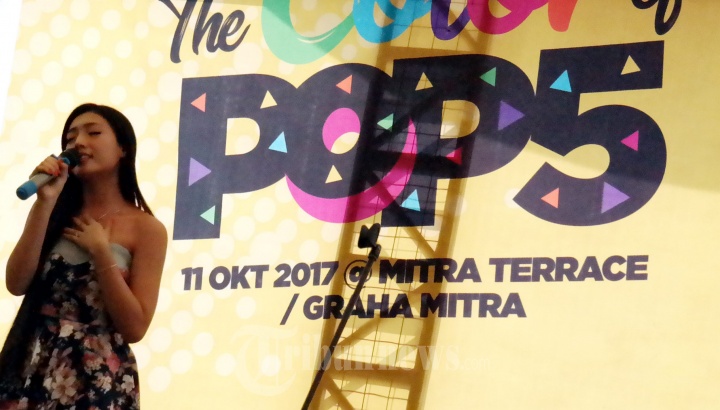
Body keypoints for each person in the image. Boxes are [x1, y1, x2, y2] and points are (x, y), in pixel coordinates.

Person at [0, 103, 168, 409]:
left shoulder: (147, 229)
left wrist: (102, 253)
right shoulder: (55, 212)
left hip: (98, 379)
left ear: (123, 149)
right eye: (70, 137)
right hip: (33, 365)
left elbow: (135, 328)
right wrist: (44, 203)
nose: (78, 142)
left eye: (93, 133)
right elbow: (16, 283)